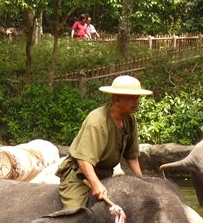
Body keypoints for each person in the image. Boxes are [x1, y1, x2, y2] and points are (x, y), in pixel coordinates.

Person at [56, 74, 152, 209]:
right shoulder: (97, 121)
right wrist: (95, 184)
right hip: (79, 176)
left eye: (137, 98)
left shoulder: (130, 120)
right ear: (116, 99)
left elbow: (131, 156)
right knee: (75, 215)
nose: (136, 102)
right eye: (131, 98)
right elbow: (83, 160)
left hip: (106, 174)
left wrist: (141, 181)